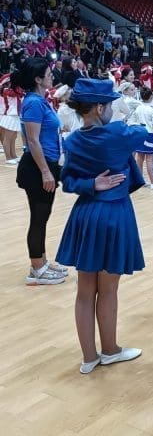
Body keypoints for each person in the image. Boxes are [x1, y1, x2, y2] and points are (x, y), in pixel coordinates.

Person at [55, 79, 145, 374]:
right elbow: (144, 133)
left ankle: (88, 357)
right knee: (108, 290)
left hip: (85, 214)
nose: (112, 109)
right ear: (98, 107)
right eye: (109, 104)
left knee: (84, 291)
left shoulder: (72, 141)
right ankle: (110, 350)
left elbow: (68, 182)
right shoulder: (117, 132)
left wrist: (91, 184)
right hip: (114, 215)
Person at [16, 58, 67, 284]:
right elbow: (32, 140)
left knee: (43, 217)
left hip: (46, 164)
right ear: (38, 79)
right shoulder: (34, 103)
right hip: (38, 167)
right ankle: (36, 269)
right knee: (38, 218)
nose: (52, 76)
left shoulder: (40, 101)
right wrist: (46, 172)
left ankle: (42, 262)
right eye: (48, 74)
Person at [130, 86, 153, 189]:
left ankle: (140, 180)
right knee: (149, 160)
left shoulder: (138, 108)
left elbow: (134, 121)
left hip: (140, 134)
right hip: (150, 135)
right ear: (151, 97)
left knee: (139, 158)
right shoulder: (151, 110)